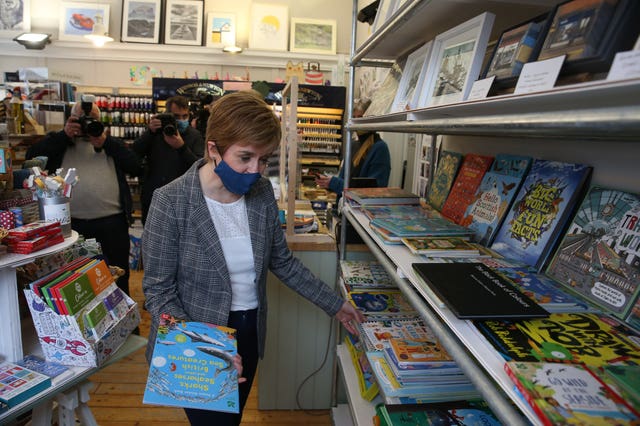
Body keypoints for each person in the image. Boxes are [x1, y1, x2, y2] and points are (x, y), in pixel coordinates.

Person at [141, 91, 365, 426]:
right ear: (213, 149)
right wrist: (207, 347)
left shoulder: (260, 194)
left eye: (264, 160)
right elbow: (159, 293)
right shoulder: (171, 202)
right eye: (245, 157)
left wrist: (335, 304)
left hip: (248, 330)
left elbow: (283, 262)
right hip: (193, 339)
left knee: (232, 417)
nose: (255, 170)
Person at [26, 98, 141, 297]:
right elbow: (32, 158)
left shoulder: (111, 144)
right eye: (82, 120)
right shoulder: (59, 143)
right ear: (71, 120)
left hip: (112, 223)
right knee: (75, 278)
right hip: (71, 224)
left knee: (118, 275)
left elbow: (136, 166)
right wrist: (64, 135)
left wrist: (107, 142)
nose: (88, 125)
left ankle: (126, 322)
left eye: (93, 120)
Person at [132, 95, 204, 223]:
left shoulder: (194, 136)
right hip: (154, 196)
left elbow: (200, 167)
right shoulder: (155, 133)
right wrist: (150, 132)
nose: (181, 120)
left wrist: (182, 147)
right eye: (176, 116)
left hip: (183, 199)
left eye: (185, 116)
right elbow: (134, 153)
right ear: (167, 115)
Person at [315, 98, 391, 198]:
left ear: (370, 119)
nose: (356, 122)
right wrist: (328, 182)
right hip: (345, 207)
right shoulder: (354, 144)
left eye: (360, 117)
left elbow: (373, 190)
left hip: (361, 210)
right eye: (354, 117)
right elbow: (344, 179)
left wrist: (335, 183)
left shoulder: (380, 148)